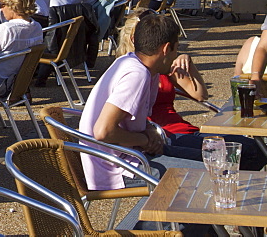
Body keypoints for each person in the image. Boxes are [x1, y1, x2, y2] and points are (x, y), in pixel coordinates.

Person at [115, 13, 267, 171]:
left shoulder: (164, 66)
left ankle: (231, 186)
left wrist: (188, 63)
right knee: (242, 154)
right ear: (134, 38)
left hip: (184, 130)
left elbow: (200, 95)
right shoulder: (131, 73)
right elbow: (107, 129)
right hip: (163, 137)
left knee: (254, 148)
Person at [78, 15, 205, 191]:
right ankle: (160, 219)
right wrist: (144, 140)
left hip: (129, 156)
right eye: (177, 48)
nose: (177, 54)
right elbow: (103, 132)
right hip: (116, 168)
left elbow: (131, 118)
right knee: (208, 175)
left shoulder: (136, 64)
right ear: (167, 49)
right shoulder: (137, 74)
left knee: (212, 160)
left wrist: (148, 130)